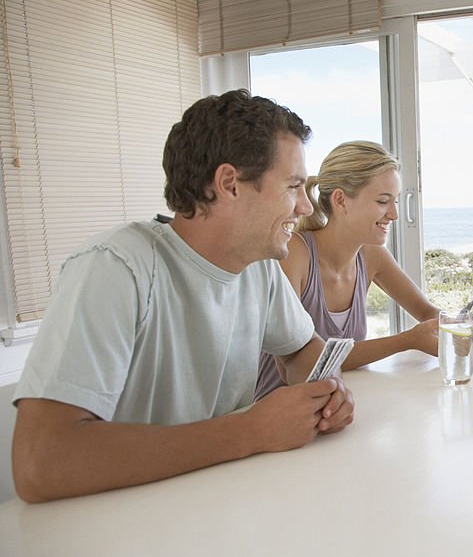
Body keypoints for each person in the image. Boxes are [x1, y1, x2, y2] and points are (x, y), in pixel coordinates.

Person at [11, 90, 355, 504]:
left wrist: (326, 393)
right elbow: (40, 464)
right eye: (293, 186)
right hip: (120, 531)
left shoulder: (257, 266)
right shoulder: (116, 267)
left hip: (213, 510)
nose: (304, 206)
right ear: (229, 183)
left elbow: (301, 350)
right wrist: (249, 431)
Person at [254, 141, 439, 400]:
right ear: (341, 200)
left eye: (395, 201)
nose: (394, 214)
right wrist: (406, 340)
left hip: (336, 406)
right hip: (282, 413)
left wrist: (455, 327)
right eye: (383, 201)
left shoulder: (370, 255)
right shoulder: (294, 255)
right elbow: (309, 361)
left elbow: (428, 313)